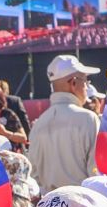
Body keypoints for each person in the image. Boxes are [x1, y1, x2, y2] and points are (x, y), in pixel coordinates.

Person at [29, 55, 101, 193]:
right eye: (85, 81)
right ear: (73, 83)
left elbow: (34, 176)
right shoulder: (88, 119)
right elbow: (96, 174)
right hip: (81, 204)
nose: (87, 86)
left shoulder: (39, 124)